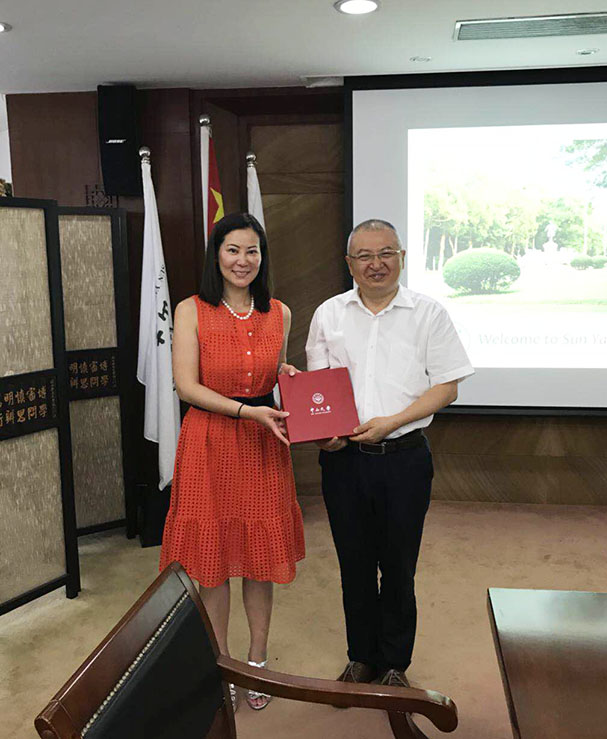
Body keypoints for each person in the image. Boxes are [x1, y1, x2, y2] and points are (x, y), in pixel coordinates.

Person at [306, 218, 473, 688]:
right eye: (364, 255)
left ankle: (395, 663)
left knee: (399, 566)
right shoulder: (329, 314)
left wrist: (393, 422)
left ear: (401, 257)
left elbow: (447, 387)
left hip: (405, 459)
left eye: (386, 253)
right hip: (343, 462)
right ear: (349, 264)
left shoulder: (428, 313)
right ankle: (361, 656)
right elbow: (319, 391)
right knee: (354, 564)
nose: (375, 264)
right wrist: (324, 434)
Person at [159, 212, 305, 711]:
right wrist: (246, 411)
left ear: (263, 258)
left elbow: (271, 374)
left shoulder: (279, 313)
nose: (243, 261)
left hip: (263, 445)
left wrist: (285, 374)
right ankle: (221, 664)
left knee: (259, 561)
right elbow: (187, 386)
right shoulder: (191, 310)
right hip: (210, 443)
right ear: (216, 255)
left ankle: (257, 662)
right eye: (233, 250)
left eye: (252, 251)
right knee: (214, 563)